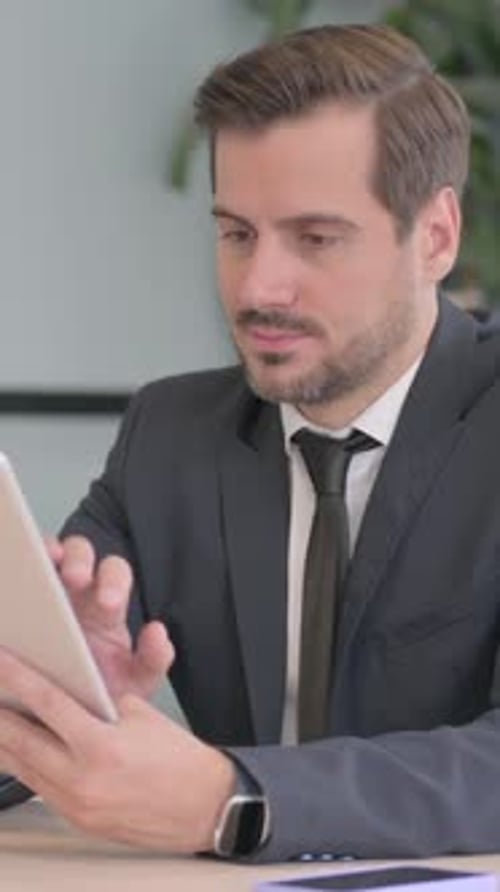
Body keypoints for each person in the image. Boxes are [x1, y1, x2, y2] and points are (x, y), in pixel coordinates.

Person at [1, 22, 500, 863]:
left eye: (316, 238)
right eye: (236, 233)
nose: (258, 287)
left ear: (437, 238)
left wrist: (233, 799)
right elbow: (52, 709)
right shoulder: (171, 435)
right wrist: (51, 695)